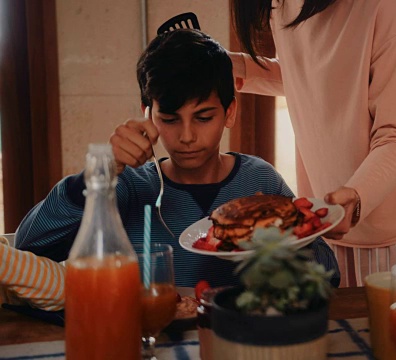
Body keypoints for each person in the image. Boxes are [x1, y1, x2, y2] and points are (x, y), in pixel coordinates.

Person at [15, 29, 340, 289]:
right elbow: (30, 244)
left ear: (230, 112)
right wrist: (101, 171)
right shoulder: (128, 185)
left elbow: (328, 273)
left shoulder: (259, 181)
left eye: (203, 117)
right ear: (148, 115)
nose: (186, 136)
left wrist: (286, 244)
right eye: (170, 119)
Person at [229, 0, 396, 286]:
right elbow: (311, 75)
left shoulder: (393, 6)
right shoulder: (283, 4)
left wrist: (357, 195)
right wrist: (234, 66)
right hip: (329, 223)